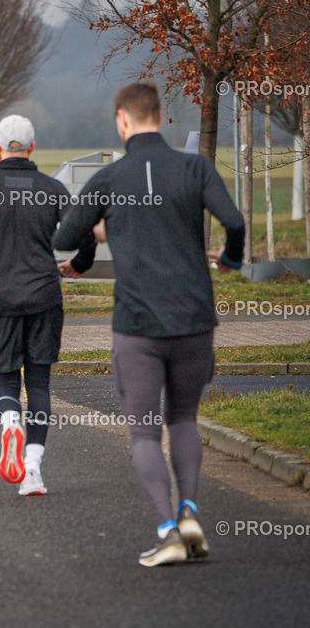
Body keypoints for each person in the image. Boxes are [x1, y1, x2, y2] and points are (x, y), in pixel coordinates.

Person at [54, 83, 245, 567]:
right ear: (160, 117)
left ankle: (166, 530)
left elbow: (65, 236)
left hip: (138, 324)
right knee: (183, 419)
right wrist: (231, 259)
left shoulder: (109, 177)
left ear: (122, 120)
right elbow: (236, 222)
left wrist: (101, 231)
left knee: (143, 432)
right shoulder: (195, 167)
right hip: (194, 319)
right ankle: (189, 512)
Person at [0, 115, 95, 497]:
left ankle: (10, 422)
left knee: (5, 379)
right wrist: (78, 266)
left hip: (0, 296)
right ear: (32, 147)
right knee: (39, 382)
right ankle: (33, 471)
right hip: (45, 295)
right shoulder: (52, 188)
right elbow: (86, 236)